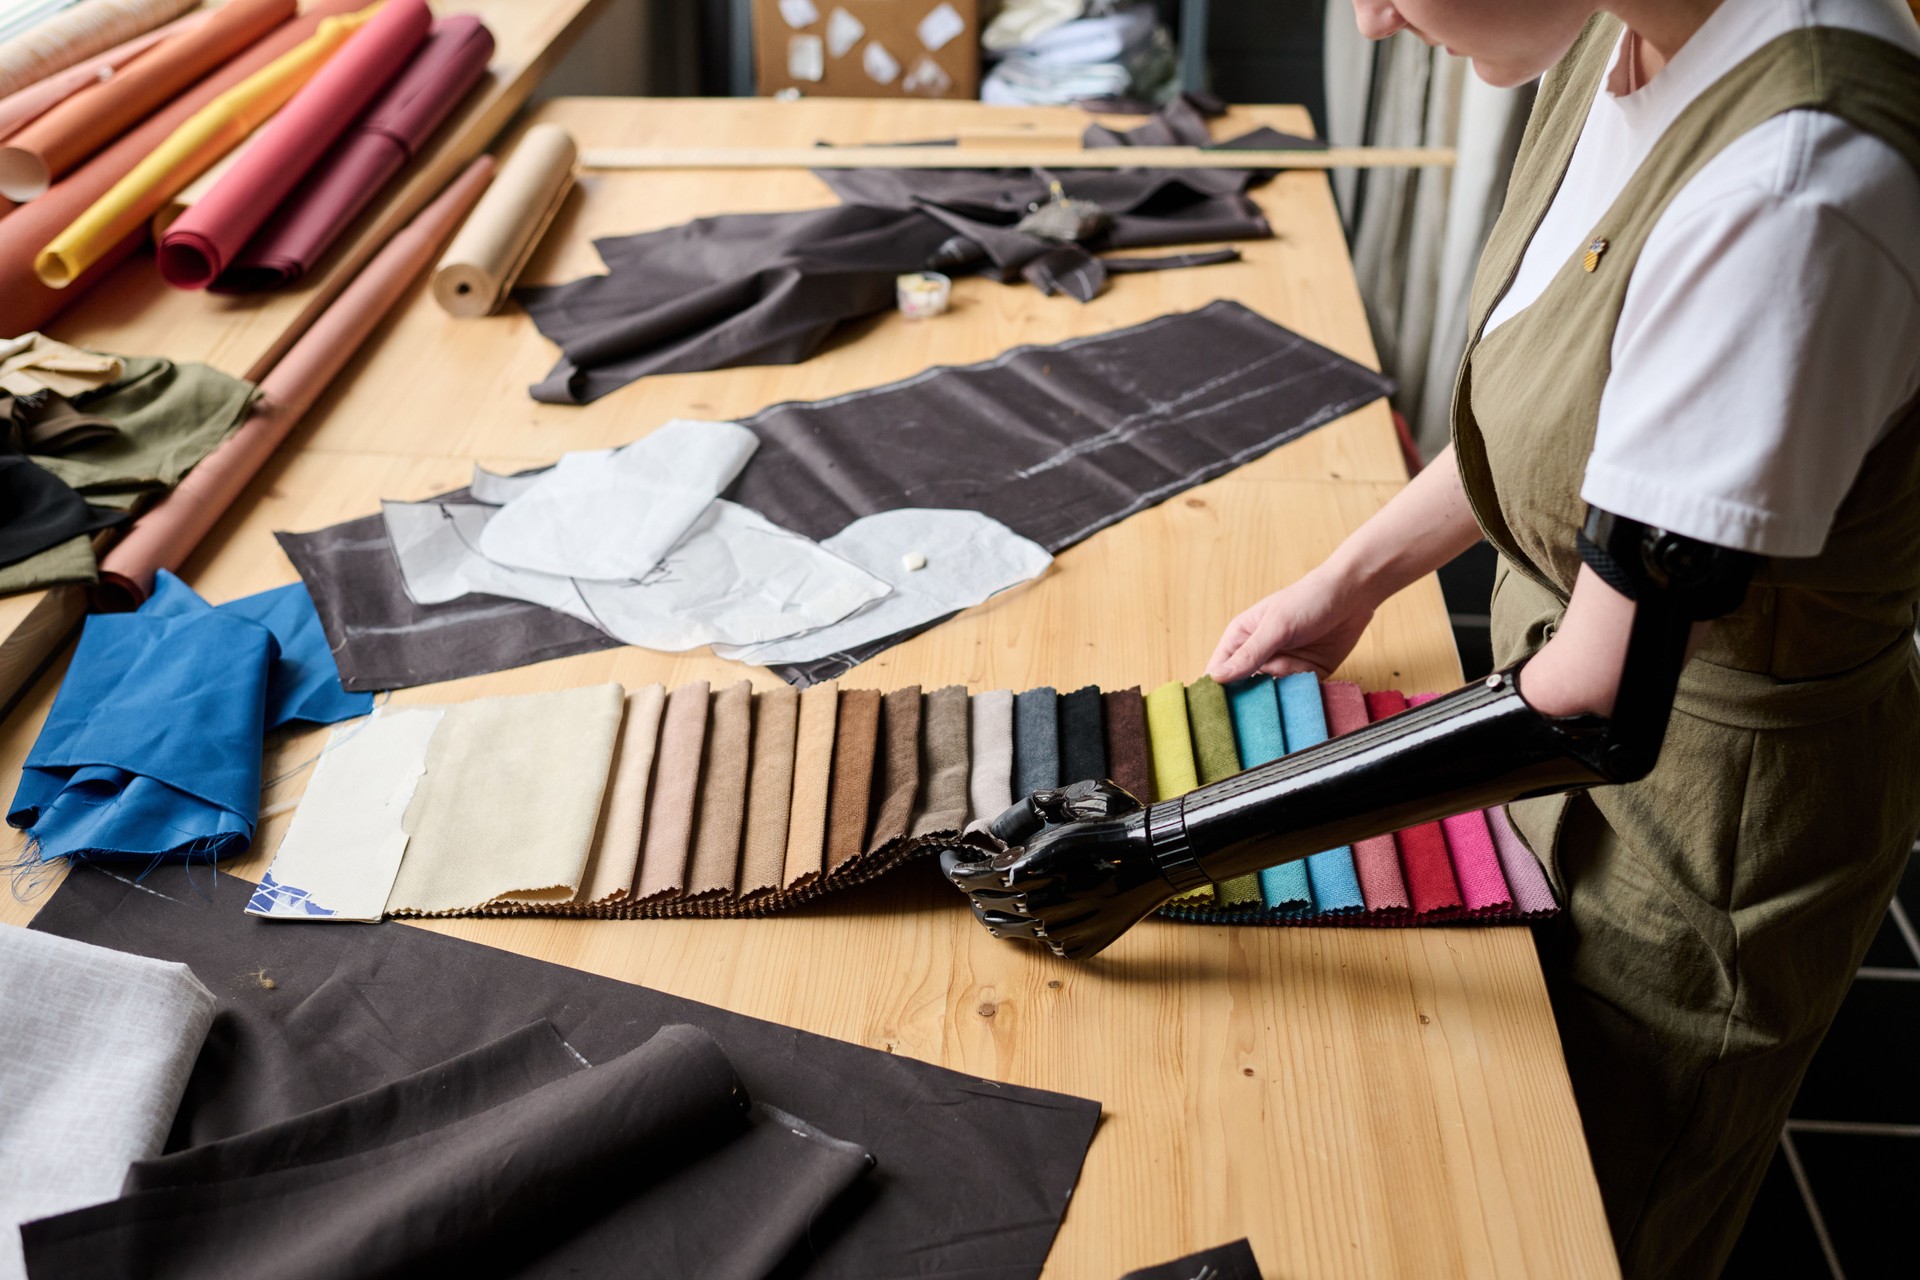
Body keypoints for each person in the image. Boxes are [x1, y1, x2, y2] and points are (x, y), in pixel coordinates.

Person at [1204, 2, 1920, 1276]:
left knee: (1575, 1222)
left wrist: (1169, 846)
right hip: (1559, 731)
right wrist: (1349, 579)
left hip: (1700, 836)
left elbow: (1594, 695)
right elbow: (1581, 421)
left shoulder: (1793, 185)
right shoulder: (1628, 26)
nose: (1370, 22)